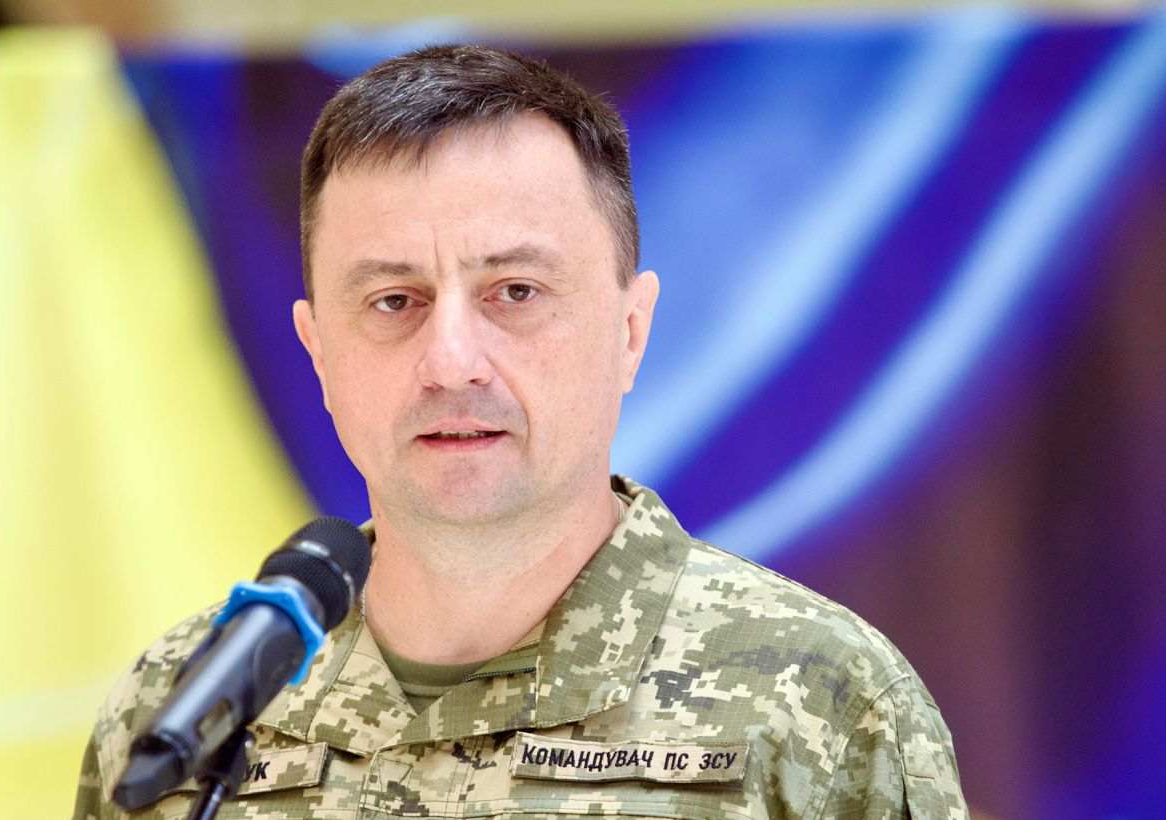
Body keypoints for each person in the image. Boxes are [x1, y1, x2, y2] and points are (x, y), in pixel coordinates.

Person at [74, 45, 968, 819]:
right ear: (317, 351)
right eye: (393, 301)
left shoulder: (822, 703)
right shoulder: (185, 714)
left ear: (629, 332)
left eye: (515, 292)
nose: (451, 361)